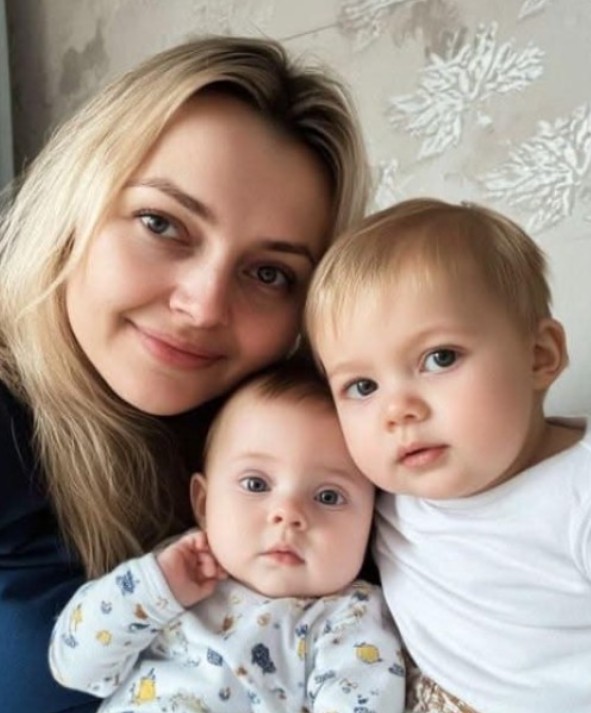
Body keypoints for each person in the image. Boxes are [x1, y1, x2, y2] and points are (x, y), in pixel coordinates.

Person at [0, 35, 370, 713]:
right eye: (161, 223)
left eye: (269, 273)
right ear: (75, 205)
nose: (203, 307)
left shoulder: (308, 440)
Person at [305, 197, 591, 713]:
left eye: (439, 358)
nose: (398, 410)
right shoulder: (380, 496)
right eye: (363, 386)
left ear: (539, 356)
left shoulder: (577, 492)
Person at [48, 359, 406, 712]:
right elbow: (74, 669)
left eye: (328, 496)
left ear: (371, 522)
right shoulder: (172, 578)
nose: (288, 514)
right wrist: (154, 588)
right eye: (256, 484)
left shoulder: (350, 618)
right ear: (204, 504)